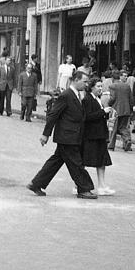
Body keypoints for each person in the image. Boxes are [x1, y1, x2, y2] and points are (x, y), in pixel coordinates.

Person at [27, 70, 97, 199]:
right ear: (76, 80)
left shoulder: (77, 95)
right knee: (76, 163)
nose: (86, 84)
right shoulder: (66, 95)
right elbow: (53, 114)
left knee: (55, 161)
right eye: (84, 81)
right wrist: (45, 134)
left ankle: (36, 183)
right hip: (67, 137)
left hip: (71, 136)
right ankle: (84, 188)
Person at [82, 78, 114, 196]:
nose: (100, 89)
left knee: (101, 161)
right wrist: (102, 112)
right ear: (91, 87)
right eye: (98, 86)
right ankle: (78, 184)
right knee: (85, 160)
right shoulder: (87, 99)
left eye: (101, 86)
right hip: (91, 135)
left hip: (99, 134)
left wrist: (107, 114)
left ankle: (102, 185)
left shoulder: (98, 99)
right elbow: (87, 117)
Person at [107, 70, 133, 152]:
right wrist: (131, 109)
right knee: (124, 127)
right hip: (126, 110)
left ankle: (111, 145)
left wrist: (109, 104)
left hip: (116, 109)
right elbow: (131, 99)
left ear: (112, 78)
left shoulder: (112, 86)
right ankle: (127, 139)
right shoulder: (127, 86)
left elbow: (112, 98)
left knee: (113, 128)